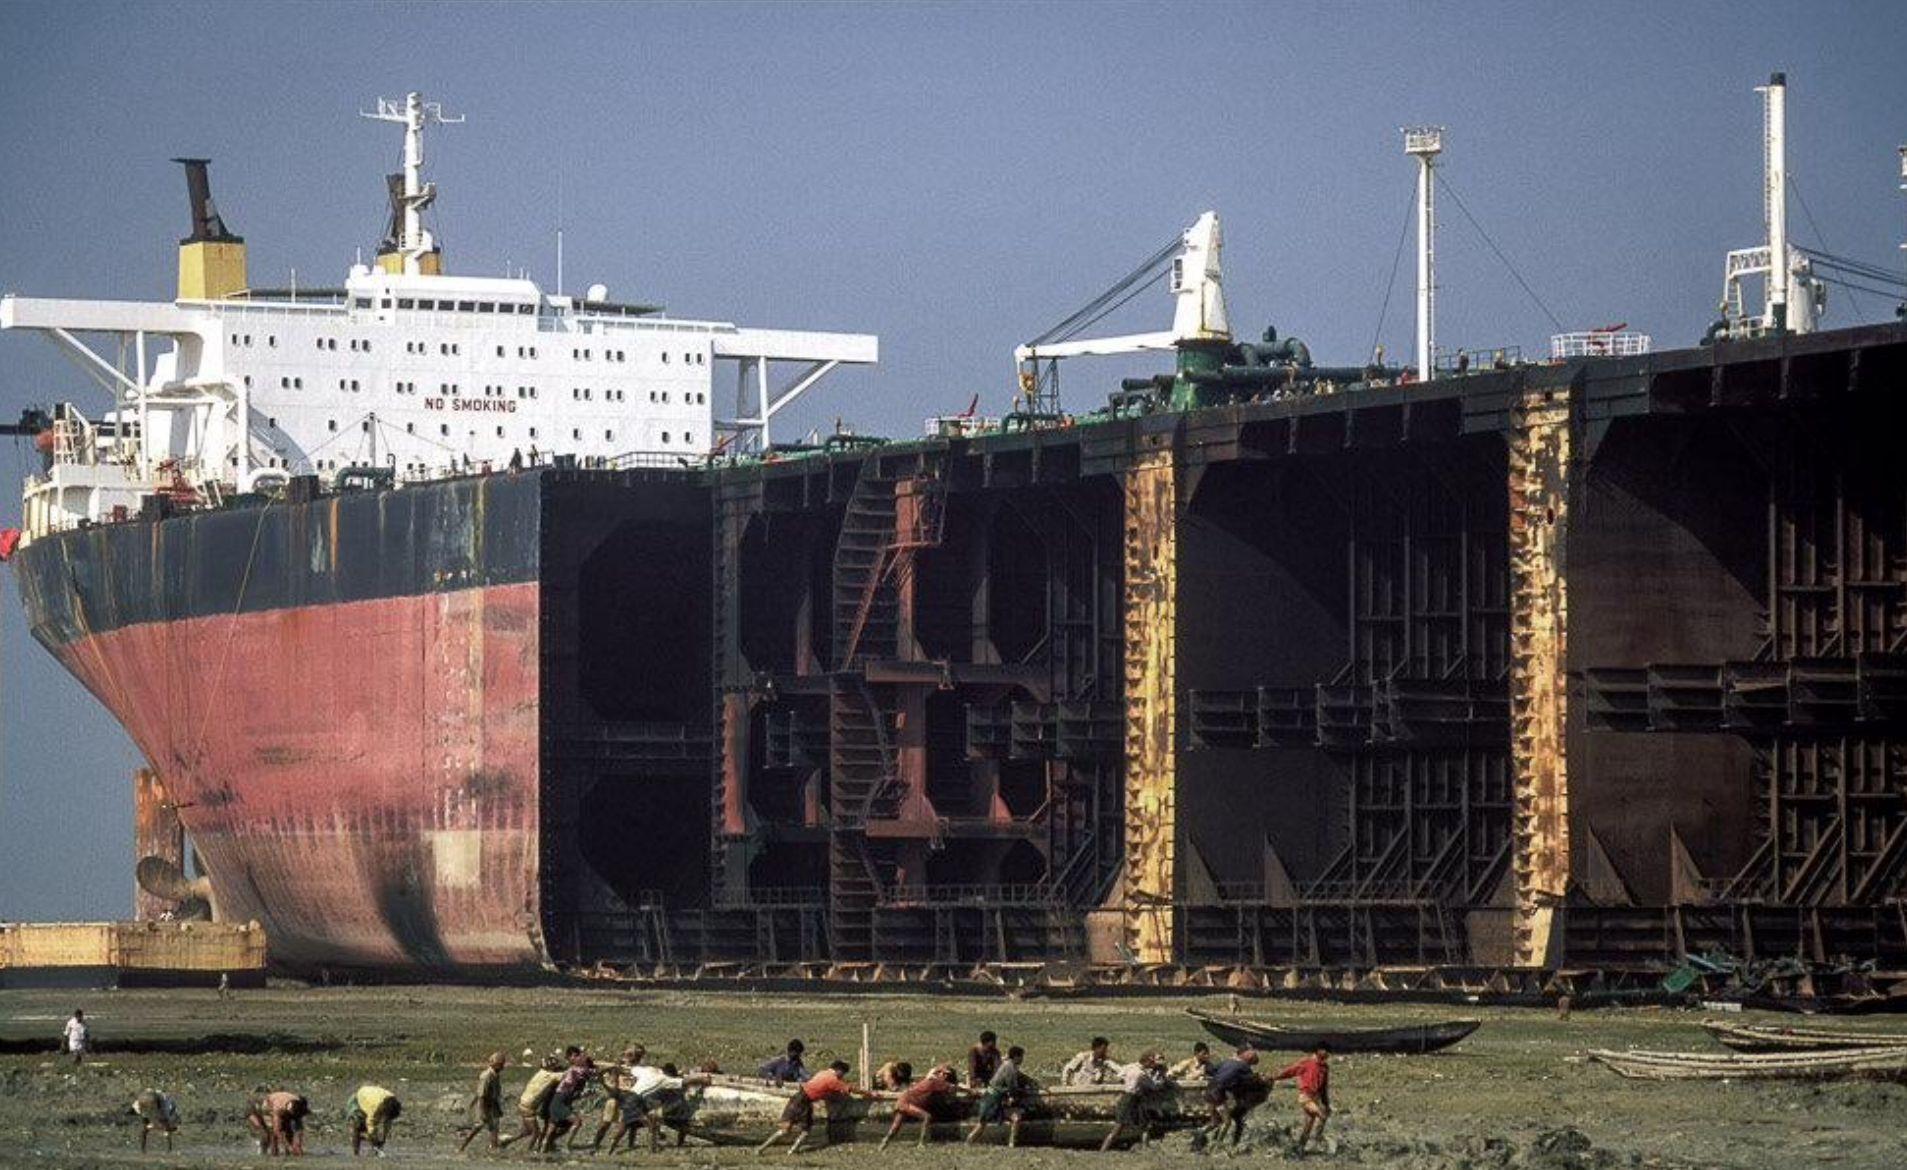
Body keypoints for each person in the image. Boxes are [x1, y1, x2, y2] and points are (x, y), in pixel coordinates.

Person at [755, 1058, 857, 1154]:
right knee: (805, 1131)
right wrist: (866, 1093)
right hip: (804, 1102)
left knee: (785, 1130)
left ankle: (761, 1148)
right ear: (839, 1070)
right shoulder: (832, 1079)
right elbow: (849, 1089)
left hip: (797, 1098)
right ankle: (792, 1151)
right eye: (843, 1073)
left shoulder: (822, 1073)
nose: (842, 1076)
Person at [612, 1061, 714, 1153]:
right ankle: (616, 1148)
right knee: (632, 1123)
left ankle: (621, 1147)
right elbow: (685, 1081)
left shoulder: (648, 1070)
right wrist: (701, 1079)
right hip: (635, 1099)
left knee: (633, 1123)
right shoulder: (665, 1079)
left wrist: (617, 1069)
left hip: (632, 1096)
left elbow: (630, 1069)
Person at [965, 1045, 1034, 1148]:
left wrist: (1030, 1082)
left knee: (1015, 1118)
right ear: (1016, 1057)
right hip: (993, 1100)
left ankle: (1012, 1144)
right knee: (982, 1124)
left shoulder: (1008, 1065)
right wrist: (1024, 1091)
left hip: (994, 1099)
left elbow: (1020, 1078)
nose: (1022, 1059)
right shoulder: (1010, 1068)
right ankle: (969, 1142)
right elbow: (1012, 1088)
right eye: (1021, 1057)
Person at [1100, 1050, 1168, 1151]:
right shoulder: (1141, 1074)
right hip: (1132, 1100)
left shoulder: (1131, 1067)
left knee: (1143, 1125)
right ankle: (1104, 1150)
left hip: (1128, 1098)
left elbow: (1120, 1074)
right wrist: (1162, 1078)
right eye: (1151, 1062)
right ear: (1147, 1062)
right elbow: (1154, 1086)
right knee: (1120, 1128)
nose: (1152, 1065)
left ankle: (1145, 1148)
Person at [881, 1063, 956, 1149]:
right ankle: (922, 1143)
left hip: (904, 1100)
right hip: (907, 1101)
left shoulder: (931, 1080)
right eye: (943, 1073)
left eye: (947, 1074)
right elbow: (953, 1088)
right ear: (938, 1073)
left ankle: (884, 1142)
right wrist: (967, 1089)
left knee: (896, 1126)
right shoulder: (935, 1081)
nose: (945, 1076)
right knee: (926, 1117)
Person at [1273, 1045, 1331, 1154]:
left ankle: (1299, 1148)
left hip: (1315, 1098)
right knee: (1322, 1115)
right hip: (1305, 1097)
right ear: (1318, 1051)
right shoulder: (1307, 1062)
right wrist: (1274, 1077)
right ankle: (1318, 1140)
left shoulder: (1324, 1068)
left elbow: (1324, 1088)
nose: (1327, 1054)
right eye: (1325, 1051)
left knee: (1308, 1126)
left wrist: (1326, 1103)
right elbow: (1290, 1071)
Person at [1201, 1047, 1264, 1146]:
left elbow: (1211, 1070)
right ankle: (1217, 1145)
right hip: (1218, 1094)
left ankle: (1198, 1134)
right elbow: (1251, 1082)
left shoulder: (1227, 1062)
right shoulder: (1245, 1068)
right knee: (1227, 1122)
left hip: (1209, 1091)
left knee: (1214, 1122)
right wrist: (1259, 1077)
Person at [501, 1054, 563, 1150]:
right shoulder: (550, 1076)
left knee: (526, 1131)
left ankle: (507, 1141)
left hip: (523, 1102)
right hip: (529, 1106)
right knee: (535, 1132)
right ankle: (528, 1150)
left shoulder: (540, 1073)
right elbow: (565, 1075)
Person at [457, 1051, 509, 1153]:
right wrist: (482, 1111)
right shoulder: (486, 1076)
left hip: (492, 1104)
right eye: (501, 1064)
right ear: (496, 1064)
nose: (503, 1067)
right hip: (485, 1104)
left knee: (494, 1127)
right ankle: (462, 1146)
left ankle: (493, 1146)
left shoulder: (495, 1075)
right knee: (479, 1126)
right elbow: (481, 1095)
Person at [546, 1050, 596, 1151]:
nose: (581, 1058)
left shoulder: (580, 1071)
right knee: (576, 1122)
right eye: (578, 1056)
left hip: (562, 1101)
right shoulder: (574, 1070)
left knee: (555, 1126)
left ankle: (545, 1145)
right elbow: (583, 1072)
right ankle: (566, 1146)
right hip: (559, 1101)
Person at [248, 1090, 309, 1156]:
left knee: (288, 1130)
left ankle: (291, 1150)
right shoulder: (278, 1107)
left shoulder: (300, 1106)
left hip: (284, 1106)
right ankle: (272, 1153)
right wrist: (287, 1146)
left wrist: (298, 1144)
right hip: (267, 1108)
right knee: (271, 1133)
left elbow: (299, 1129)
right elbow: (276, 1130)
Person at [347, 1084, 402, 1156]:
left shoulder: (392, 1102)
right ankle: (356, 1154)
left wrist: (384, 1138)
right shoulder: (375, 1108)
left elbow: (387, 1123)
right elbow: (370, 1124)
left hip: (370, 1098)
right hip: (358, 1100)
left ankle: (373, 1149)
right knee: (356, 1126)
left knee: (371, 1132)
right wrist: (374, 1139)